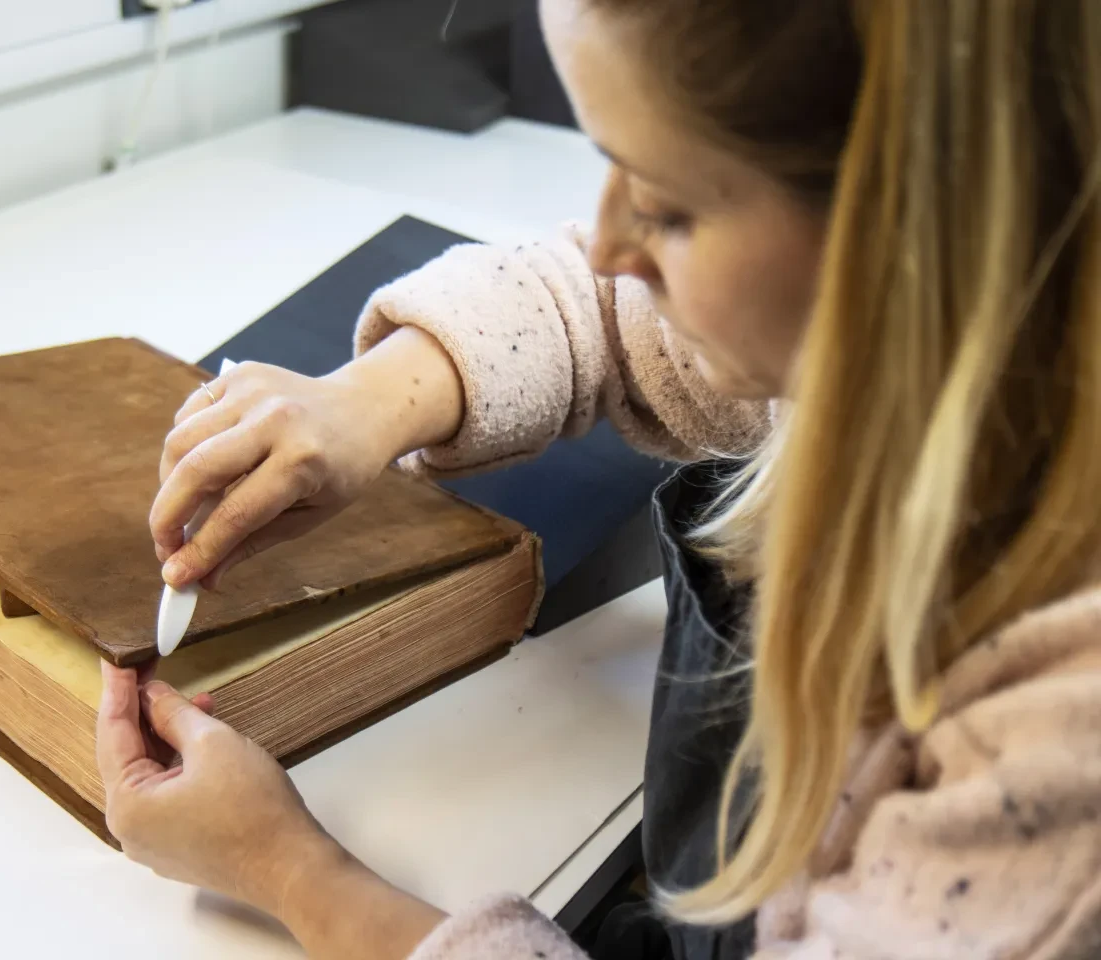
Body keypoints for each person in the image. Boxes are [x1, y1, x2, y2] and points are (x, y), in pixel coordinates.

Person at [95, 0, 1101, 957]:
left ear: (908, 231)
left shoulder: (1053, 770)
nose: (612, 242)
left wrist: (285, 869)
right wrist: (368, 403)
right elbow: (604, 307)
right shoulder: (959, 329)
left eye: (661, 204)